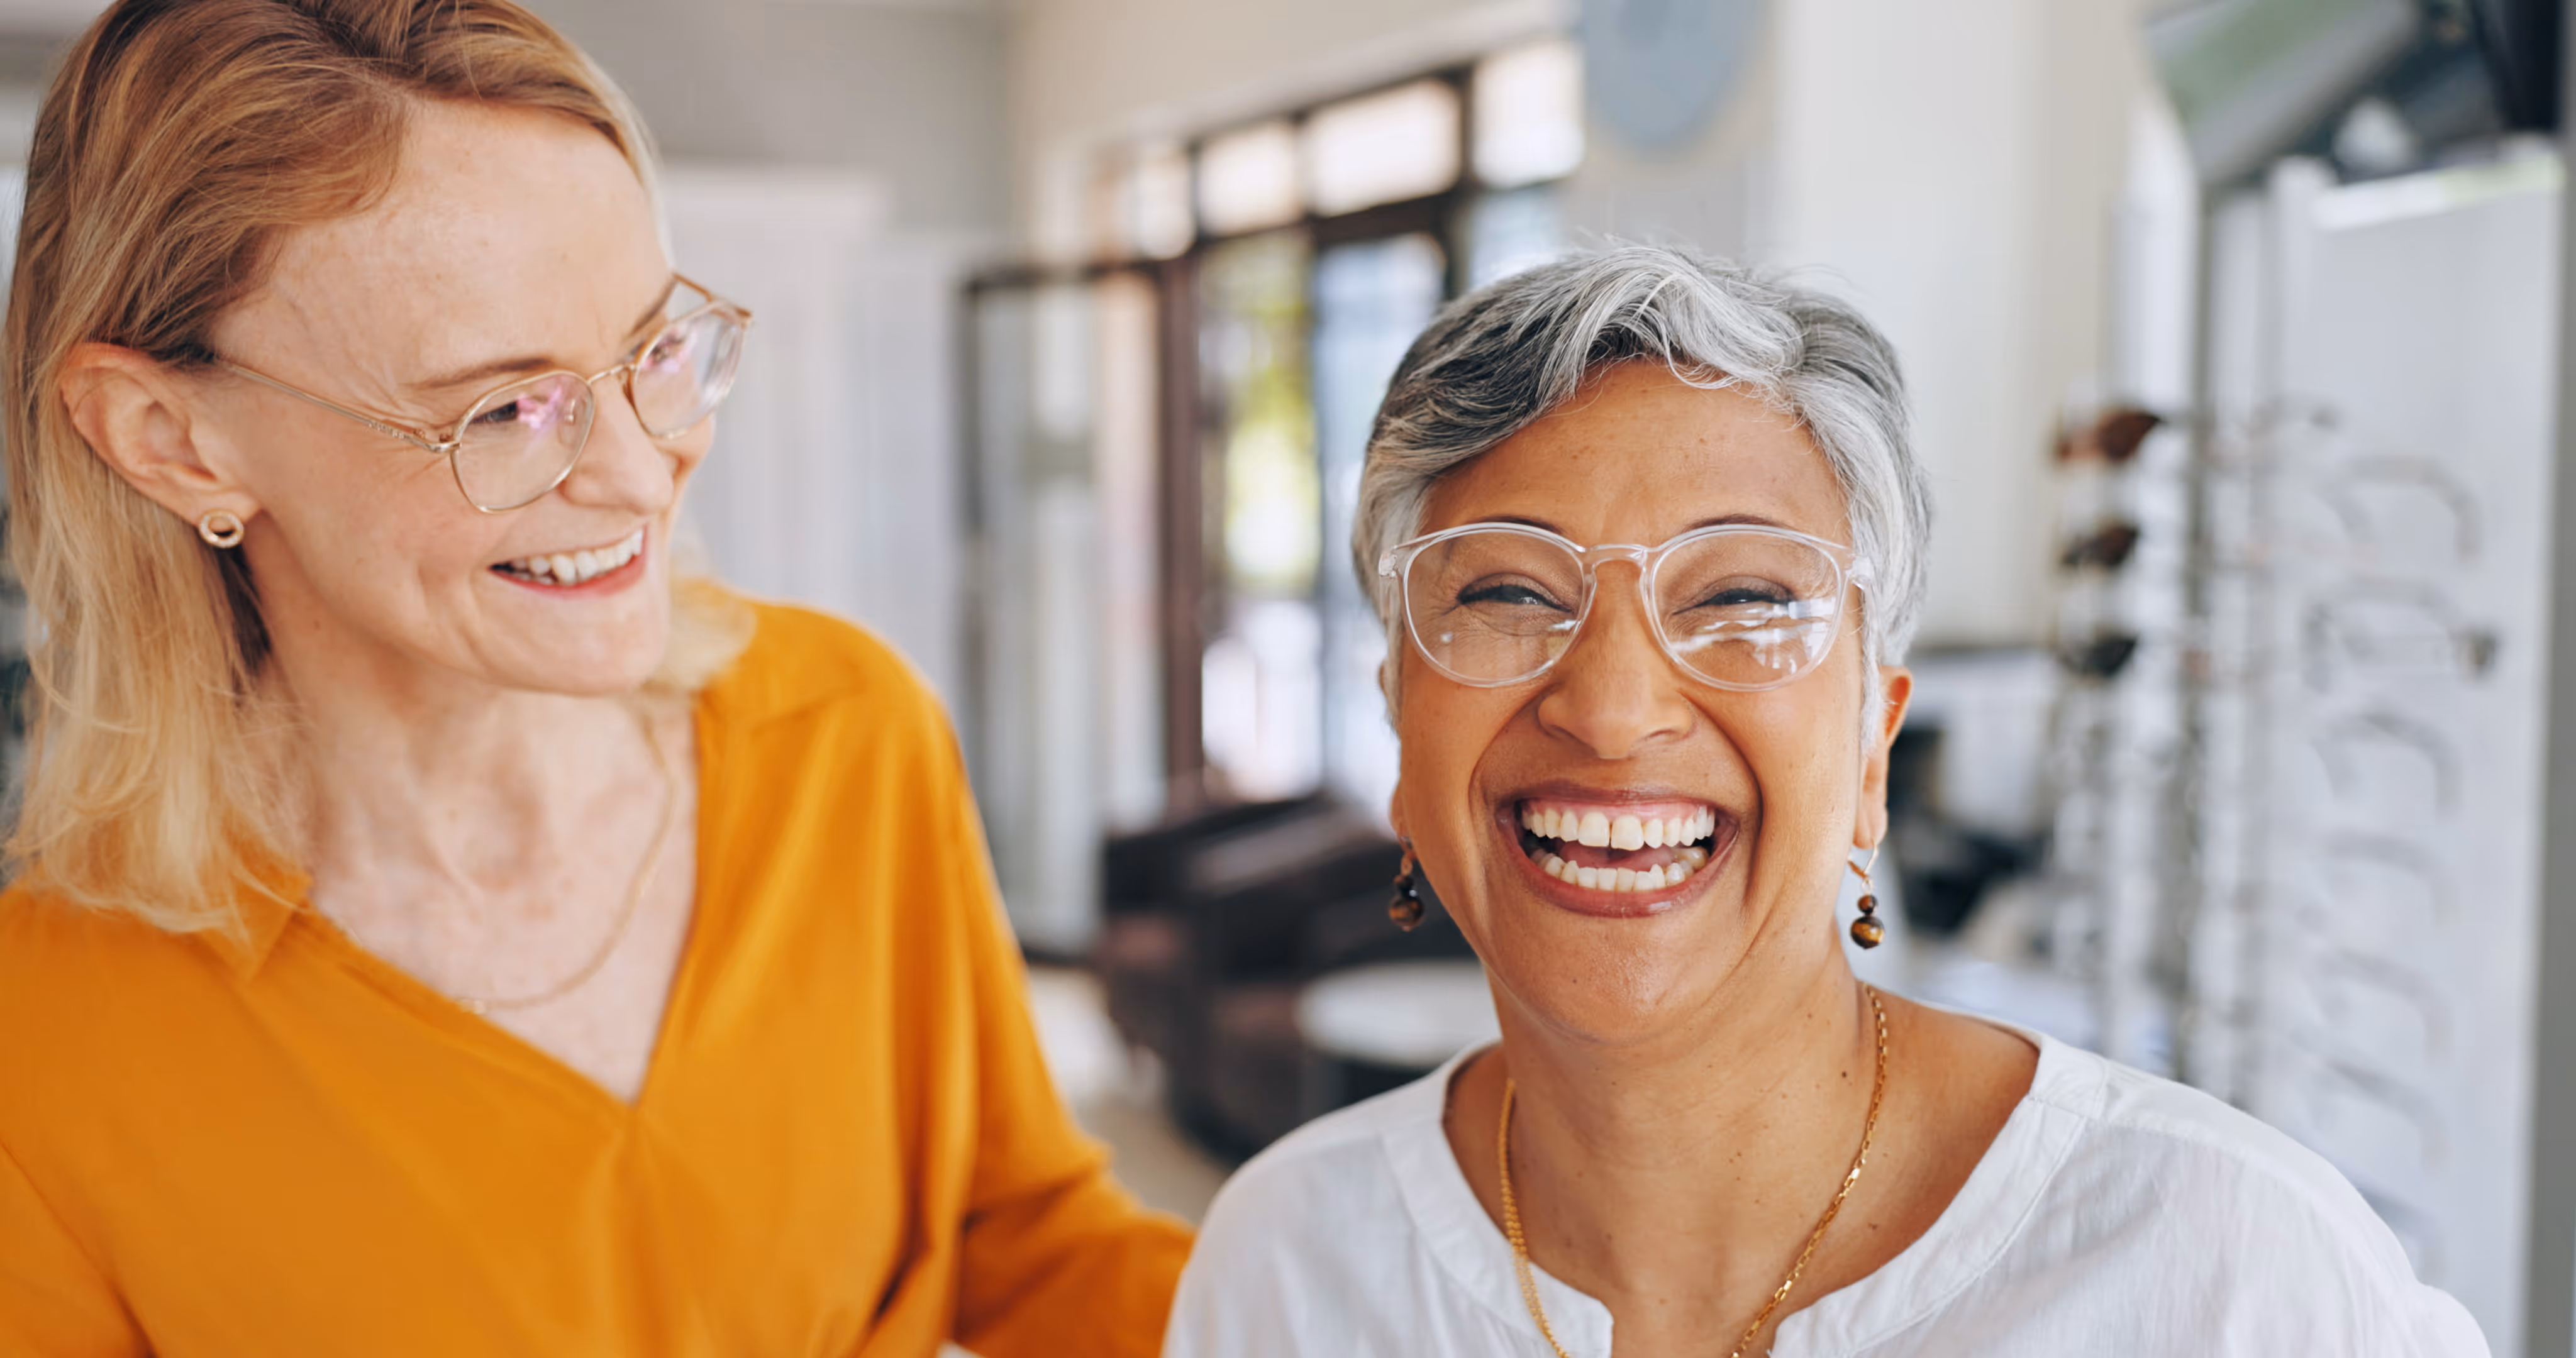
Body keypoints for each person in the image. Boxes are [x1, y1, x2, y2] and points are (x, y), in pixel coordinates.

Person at [0, 3, 1187, 1354]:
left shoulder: (847, 733)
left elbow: (1024, 1237)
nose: (640, 473)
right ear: (171, 439)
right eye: (503, 409)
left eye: (651, 353)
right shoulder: (43, 1052)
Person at [1163, 245, 2485, 1357]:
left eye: (1741, 599)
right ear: (1400, 722)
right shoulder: (1289, 1266)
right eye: (1507, 593)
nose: (1614, 710)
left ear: (1870, 747)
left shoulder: (2221, 1274)